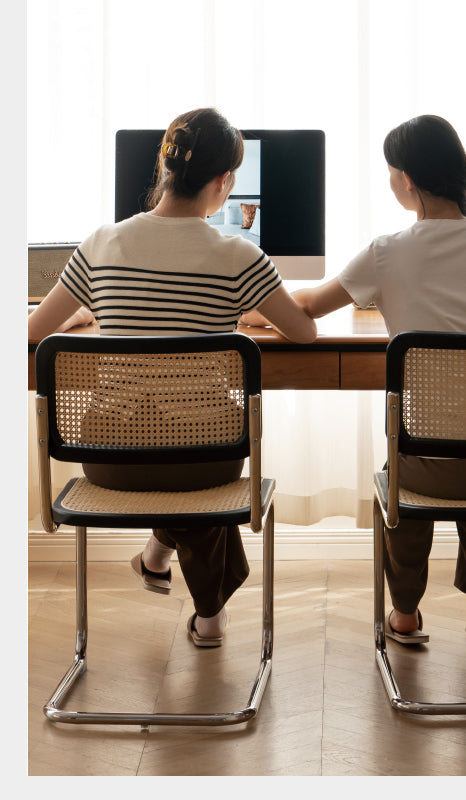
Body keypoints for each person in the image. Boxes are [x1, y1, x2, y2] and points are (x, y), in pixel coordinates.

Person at [242, 114, 466, 655]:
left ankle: (406, 615)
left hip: (441, 461)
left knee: (408, 469)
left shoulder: (388, 251)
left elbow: (307, 308)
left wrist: (254, 314)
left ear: (407, 181)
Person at [28, 107, 317, 647]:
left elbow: (35, 330)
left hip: (111, 459)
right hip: (207, 454)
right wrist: (244, 312)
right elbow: (303, 333)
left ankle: (159, 561)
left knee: (170, 438)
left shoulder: (100, 243)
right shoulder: (238, 254)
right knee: (196, 450)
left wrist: (85, 312)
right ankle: (207, 615)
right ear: (224, 183)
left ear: (164, 167)